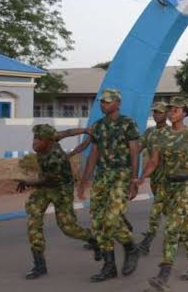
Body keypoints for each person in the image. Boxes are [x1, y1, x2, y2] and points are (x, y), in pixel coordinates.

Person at [133, 96, 188, 291]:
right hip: (168, 185)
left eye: (176, 109)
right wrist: (142, 178)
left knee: (172, 228)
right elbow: (154, 162)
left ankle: (163, 275)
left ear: (184, 113)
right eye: (170, 109)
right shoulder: (161, 135)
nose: (172, 112)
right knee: (187, 228)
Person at [19, 125, 100, 279]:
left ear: (48, 141)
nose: (34, 142)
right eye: (34, 138)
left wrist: (27, 182)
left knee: (68, 228)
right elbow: (68, 132)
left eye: (39, 139)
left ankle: (93, 239)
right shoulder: (52, 136)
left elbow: (45, 179)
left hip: (60, 189)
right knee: (33, 220)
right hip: (44, 188)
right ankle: (39, 265)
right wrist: (85, 130)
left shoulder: (56, 158)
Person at [76, 88, 140, 282]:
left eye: (107, 101)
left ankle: (130, 247)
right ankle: (109, 266)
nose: (103, 104)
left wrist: (133, 180)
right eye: (102, 102)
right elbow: (93, 153)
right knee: (97, 222)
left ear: (117, 103)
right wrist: (84, 181)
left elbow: (134, 152)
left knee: (111, 219)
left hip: (121, 175)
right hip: (102, 177)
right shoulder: (97, 126)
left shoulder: (127, 123)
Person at [137, 102, 171, 255]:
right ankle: (182, 232)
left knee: (156, 208)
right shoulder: (149, 132)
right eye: (155, 112)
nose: (156, 114)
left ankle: (147, 241)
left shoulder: (171, 132)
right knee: (167, 209)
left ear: (166, 114)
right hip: (155, 177)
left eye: (160, 112)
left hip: (169, 178)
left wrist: (142, 176)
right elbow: (138, 148)